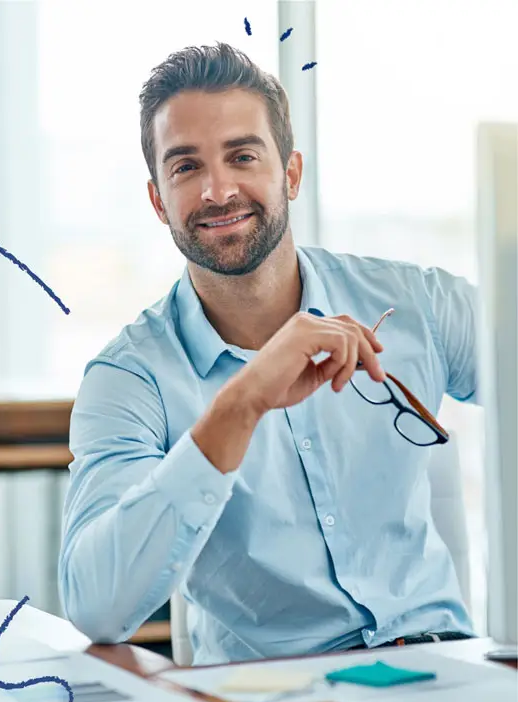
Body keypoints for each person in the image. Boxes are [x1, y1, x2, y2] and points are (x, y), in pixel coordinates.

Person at [58, 42, 477, 666]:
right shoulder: (128, 378)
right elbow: (96, 606)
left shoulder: (417, 302)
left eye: (242, 156)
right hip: (276, 700)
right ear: (157, 200)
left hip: (449, 675)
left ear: (291, 173)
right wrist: (242, 404)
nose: (217, 190)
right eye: (186, 168)